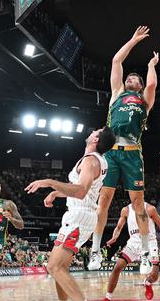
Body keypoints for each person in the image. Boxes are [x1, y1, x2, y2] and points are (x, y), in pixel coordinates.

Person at [89, 26, 159, 274]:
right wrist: (133, 40)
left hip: (132, 153)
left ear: (138, 86)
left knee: (137, 205)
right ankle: (95, 251)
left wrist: (151, 66)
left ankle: (145, 255)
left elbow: (151, 85)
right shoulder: (116, 93)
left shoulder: (145, 101)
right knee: (104, 201)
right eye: (128, 78)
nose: (129, 79)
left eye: (134, 79)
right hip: (111, 153)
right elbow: (116, 60)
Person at [25, 126, 116, 301]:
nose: (90, 133)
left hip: (79, 216)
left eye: (94, 132)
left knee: (54, 267)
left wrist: (50, 182)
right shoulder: (97, 160)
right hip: (80, 215)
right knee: (61, 269)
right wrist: (56, 193)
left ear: (96, 139)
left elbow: (81, 191)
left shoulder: (91, 161)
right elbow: (83, 189)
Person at [103, 202, 160, 301]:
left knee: (154, 274)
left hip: (150, 242)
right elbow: (119, 227)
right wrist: (114, 237)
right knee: (117, 268)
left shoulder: (150, 209)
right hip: (133, 243)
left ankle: (148, 282)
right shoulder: (126, 210)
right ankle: (108, 296)